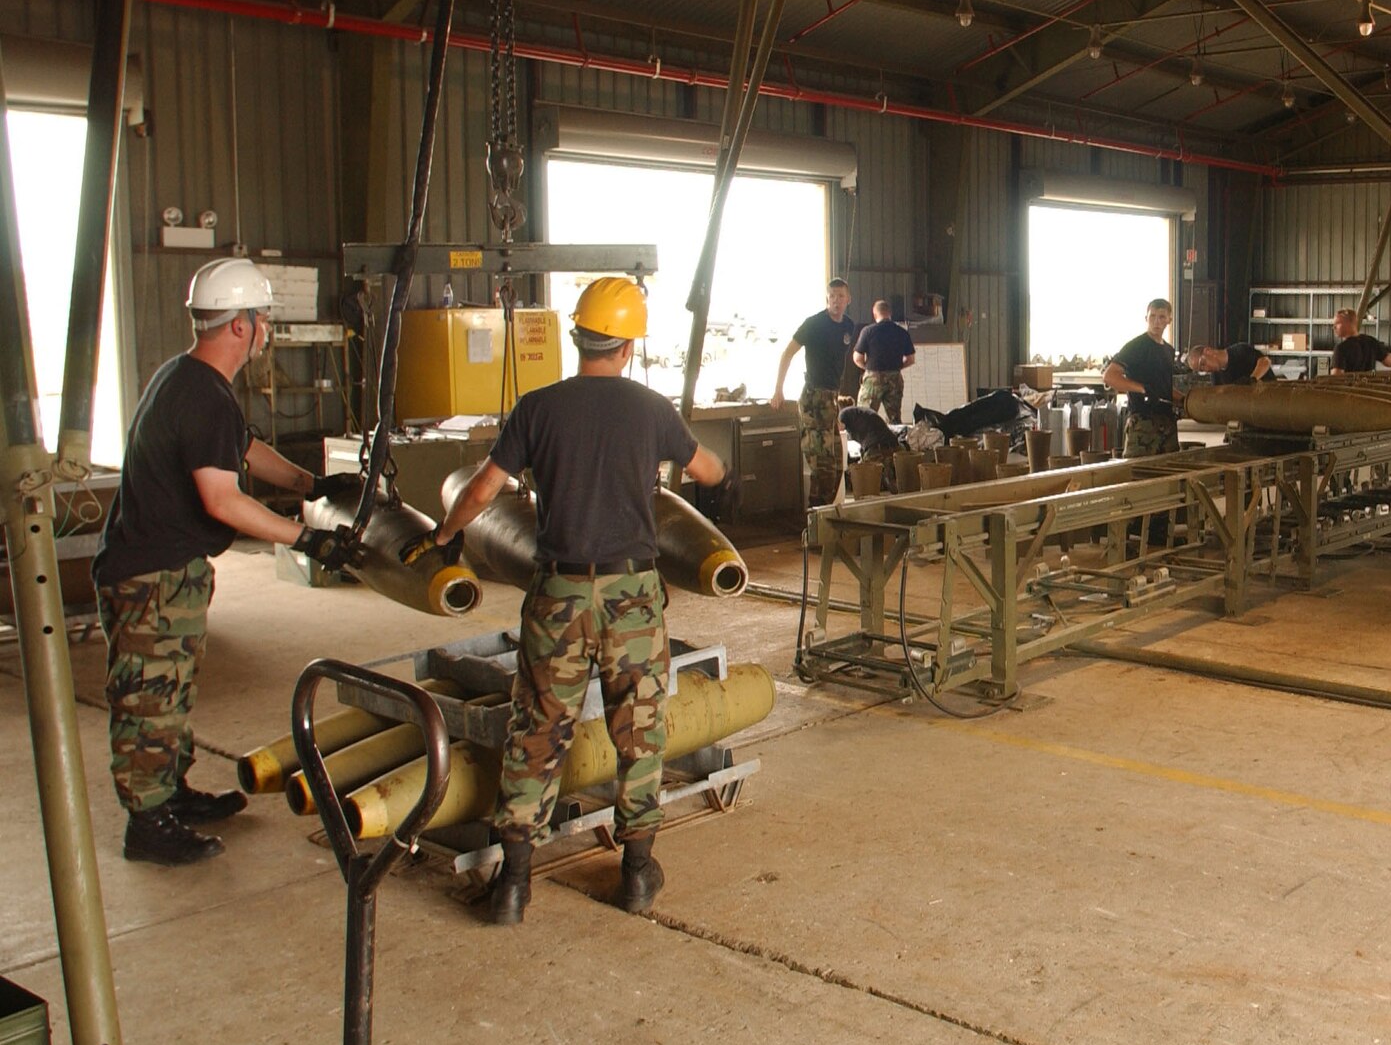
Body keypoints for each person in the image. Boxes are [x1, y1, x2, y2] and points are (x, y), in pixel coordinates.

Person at [414, 277, 729, 927]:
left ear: (578, 336)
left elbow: (480, 492)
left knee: (536, 730)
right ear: (630, 344)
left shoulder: (538, 408)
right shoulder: (651, 409)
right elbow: (710, 472)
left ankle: (514, 884)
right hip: (632, 596)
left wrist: (445, 536)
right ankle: (637, 871)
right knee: (639, 731)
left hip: (557, 591)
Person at [94, 258, 354, 867]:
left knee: (172, 690)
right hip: (152, 574)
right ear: (239, 324)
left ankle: (171, 793)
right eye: (262, 319)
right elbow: (222, 497)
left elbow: (240, 449)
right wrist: (306, 538)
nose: (266, 330)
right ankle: (147, 823)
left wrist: (309, 483)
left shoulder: (192, 380)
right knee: (149, 699)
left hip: (167, 569)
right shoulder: (203, 395)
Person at [769, 278, 855, 507]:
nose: (836, 301)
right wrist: (778, 389)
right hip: (813, 399)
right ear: (827, 299)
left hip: (830, 401)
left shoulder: (849, 326)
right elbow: (787, 353)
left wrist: (836, 409)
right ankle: (815, 523)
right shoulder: (814, 324)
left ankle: (820, 520)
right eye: (832, 296)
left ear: (848, 299)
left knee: (838, 465)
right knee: (823, 468)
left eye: (841, 296)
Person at [1102, 298, 1181, 458]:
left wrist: (1185, 400)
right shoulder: (1136, 347)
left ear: (1169, 320)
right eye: (1152, 316)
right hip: (1143, 421)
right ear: (1146, 318)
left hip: (1167, 422)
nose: (1156, 322)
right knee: (1137, 472)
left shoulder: (1168, 351)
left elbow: (1164, 386)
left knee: (1169, 472)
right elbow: (1109, 376)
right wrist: (1142, 389)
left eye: (1161, 317)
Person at [852, 299, 917, 422]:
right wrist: (897, 367)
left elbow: (857, 357)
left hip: (873, 378)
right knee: (895, 419)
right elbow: (911, 359)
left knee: (864, 417)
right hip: (894, 378)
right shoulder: (902, 332)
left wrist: (868, 368)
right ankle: (894, 440)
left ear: (875, 314)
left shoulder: (868, 331)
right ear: (889, 314)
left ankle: (867, 441)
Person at [1331, 308, 1391, 373]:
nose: (1334, 327)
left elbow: (1336, 376)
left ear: (1349, 323)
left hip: (1350, 383)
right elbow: (1389, 362)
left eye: (1337, 323)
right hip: (1368, 382)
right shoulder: (1371, 342)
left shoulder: (1341, 348)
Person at [1187, 342, 1271, 386]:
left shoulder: (1240, 351)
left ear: (1208, 351)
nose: (1206, 369)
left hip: (1271, 397)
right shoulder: (1216, 379)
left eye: (1203, 364)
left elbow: (1265, 361)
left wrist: (1252, 379)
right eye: (1202, 370)